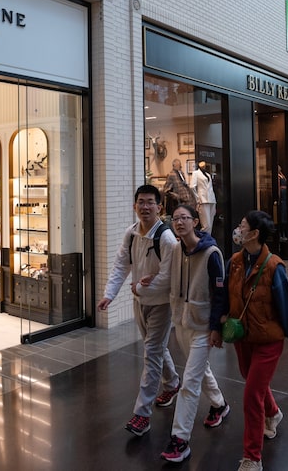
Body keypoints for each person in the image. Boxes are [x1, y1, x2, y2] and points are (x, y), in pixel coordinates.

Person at [227, 210, 288, 471]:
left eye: (242, 226)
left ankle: (252, 457)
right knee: (250, 379)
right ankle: (273, 413)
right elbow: (226, 296)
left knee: (251, 394)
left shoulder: (274, 266)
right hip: (243, 337)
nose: (238, 230)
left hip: (268, 340)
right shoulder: (236, 262)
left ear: (254, 234)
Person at [98, 184, 180, 436]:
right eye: (140, 202)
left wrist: (140, 288)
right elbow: (121, 264)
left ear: (159, 207)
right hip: (140, 302)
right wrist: (109, 294)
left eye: (150, 202)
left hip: (160, 305)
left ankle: (141, 414)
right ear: (134, 206)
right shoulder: (131, 233)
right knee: (154, 349)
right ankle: (173, 382)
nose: (145, 207)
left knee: (152, 353)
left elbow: (168, 277)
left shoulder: (166, 238)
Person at [160, 204, 230, 463]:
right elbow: (167, 278)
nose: (179, 223)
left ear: (195, 222)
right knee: (199, 370)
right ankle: (220, 404)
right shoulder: (177, 249)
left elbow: (220, 293)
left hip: (202, 326)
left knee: (189, 382)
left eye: (184, 218)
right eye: (175, 219)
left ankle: (180, 440)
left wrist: (216, 329)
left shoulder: (212, 253)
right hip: (181, 321)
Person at [190, 161, 217, 234]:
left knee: (210, 224)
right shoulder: (196, 173)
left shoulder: (208, 174)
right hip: (203, 200)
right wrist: (197, 198)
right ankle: (202, 240)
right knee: (206, 225)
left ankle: (209, 242)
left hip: (212, 200)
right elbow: (192, 186)